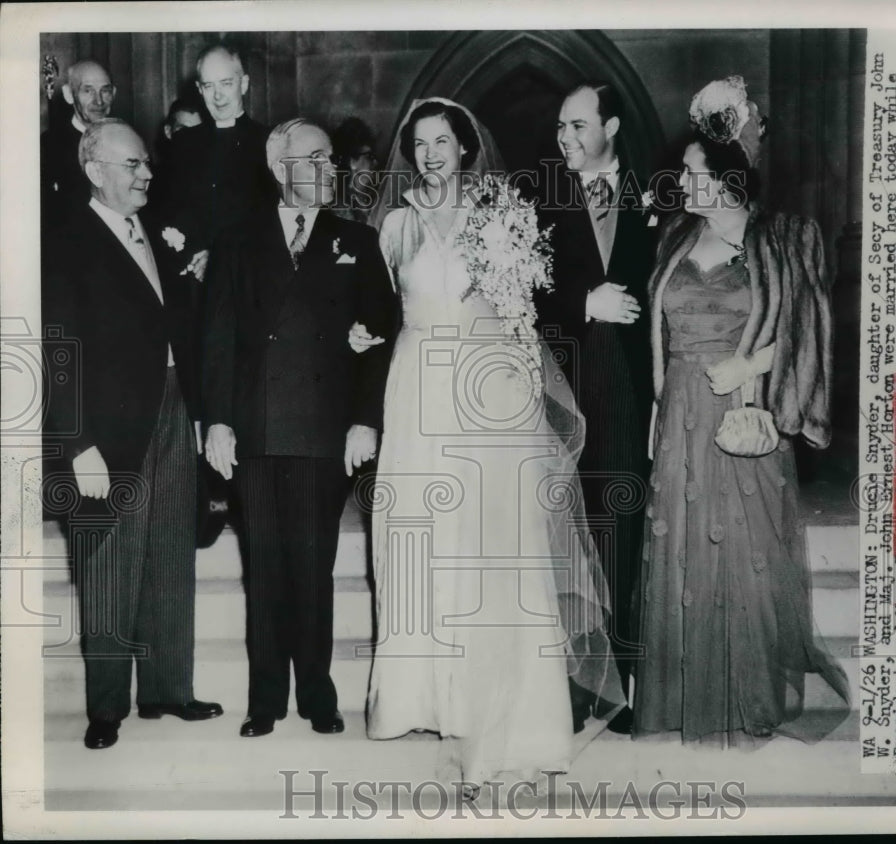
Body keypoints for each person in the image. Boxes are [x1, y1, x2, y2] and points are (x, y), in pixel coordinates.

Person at [359, 98, 624, 797]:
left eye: (443, 141)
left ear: (467, 147)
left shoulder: (501, 215)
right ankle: (443, 710)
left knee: (494, 555)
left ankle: (510, 724)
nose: (431, 153)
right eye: (419, 143)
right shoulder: (394, 225)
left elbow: (520, 315)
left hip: (490, 396)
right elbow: (375, 311)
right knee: (426, 548)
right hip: (416, 395)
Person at [634, 76, 849, 744]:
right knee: (681, 554)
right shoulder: (673, 238)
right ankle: (680, 699)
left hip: (742, 411)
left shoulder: (785, 236)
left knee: (747, 550)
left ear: (729, 176)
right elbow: (659, 334)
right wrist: (655, 405)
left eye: (694, 172)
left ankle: (747, 696)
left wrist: (749, 366)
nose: (684, 181)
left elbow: (810, 330)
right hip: (678, 417)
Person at [201, 118, 398, 739]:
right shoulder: (237, 241)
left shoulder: (356, 241)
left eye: (330, 158)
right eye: (314, 158)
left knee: (313, 566)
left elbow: (381, 338)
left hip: (324, 429)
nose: (329, 168)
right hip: (255, 430)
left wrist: (366, 420)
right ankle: (265, 701)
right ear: (279, 166)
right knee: (263, 565)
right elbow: (218, 341)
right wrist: (217, 422)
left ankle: (317, 693)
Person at [42, 118, 221, 750]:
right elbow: (57, 352)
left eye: (146, 163)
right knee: (111, 563)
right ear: (94, 171)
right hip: (108, 428)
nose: (147, 174)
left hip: (173, 406)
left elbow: (171, 322)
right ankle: (107, 708)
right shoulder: (63, 239)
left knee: (171, 552)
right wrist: (77, 444)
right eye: (132, 166)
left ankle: (169, 690)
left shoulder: (157, 227)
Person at [535, 82, 656, 734]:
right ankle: (579, 686)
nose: (566, 138)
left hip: (633, 390)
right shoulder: (541, 200)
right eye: (560, 126)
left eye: (578, 125)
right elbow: (523, 292)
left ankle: (627, 685)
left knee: (623, 537)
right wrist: (587, 303)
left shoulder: (654, 195)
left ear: (610, 125)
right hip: (566, 387)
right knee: (566, 540)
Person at [164, 43, 273, 282]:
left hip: (248, 278)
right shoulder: (183, 144)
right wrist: (195, 253)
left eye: (226, 83)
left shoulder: (270, 143)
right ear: (199, 90)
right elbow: (170, 210)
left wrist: (221, 258)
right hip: (192, 277)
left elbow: (271, 223)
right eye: (208, 86)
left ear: (243, 84)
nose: (218, 96)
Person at [40, 60, 116, 233]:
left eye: (105, 90)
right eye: (87, 90)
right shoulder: (49, 146)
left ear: (114, 93)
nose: (99, 101)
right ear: (69, 94)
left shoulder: (126, 140)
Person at [330, 116, 379, 224]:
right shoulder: (339, 207)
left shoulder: (372, 196)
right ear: (352, 161)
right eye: (369, 156)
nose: (375, 163)